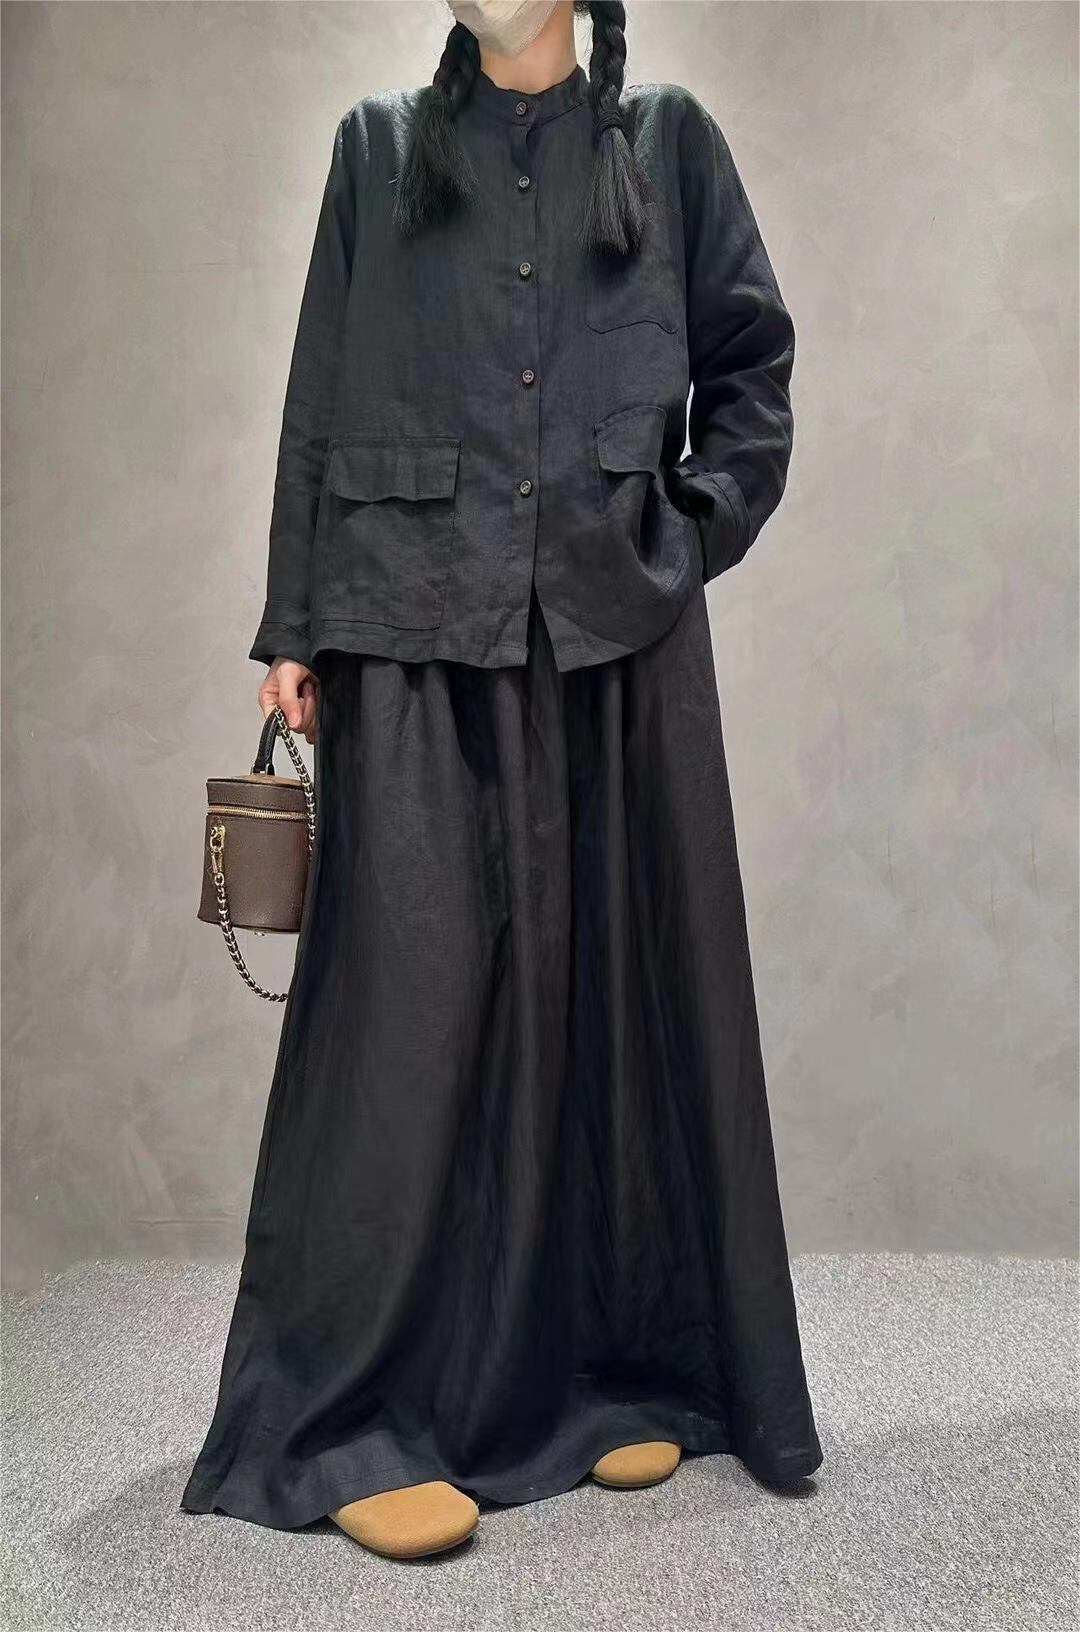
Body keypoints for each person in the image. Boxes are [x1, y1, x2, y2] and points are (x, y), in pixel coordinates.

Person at [181, 0, 823, 1560]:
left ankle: (611, 1377)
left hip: (616, 629)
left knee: (619, 1003)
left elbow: (753, 370)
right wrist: (293, 625)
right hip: (410, 620)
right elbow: (319, 398)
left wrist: (682, 531)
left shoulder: (666, 144)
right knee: (400, 1025)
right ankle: (347, 1419)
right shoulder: (378, 153)